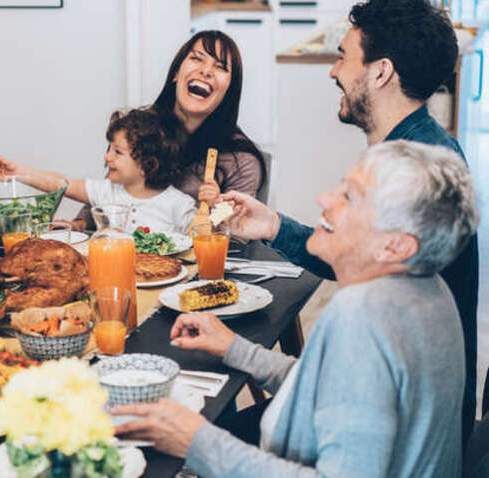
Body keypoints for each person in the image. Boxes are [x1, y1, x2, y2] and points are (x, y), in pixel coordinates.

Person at [113, 140, 479, 477]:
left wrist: (196, 442)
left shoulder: (362, 316)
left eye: (350, 197)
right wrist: (235, 349)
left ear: (395, 247)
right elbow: (332, 387)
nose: (324, 198)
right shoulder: (430, 289)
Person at [223, 0, 480, 443]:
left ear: (380, 72)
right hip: (395, 411)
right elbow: (361, 255)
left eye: (343, 56)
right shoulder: (411, 147)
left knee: (206, 434)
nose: (332, 71)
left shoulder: (418, 169)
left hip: (402, 433)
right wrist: (273, 225)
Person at [71, 30, 267, 229]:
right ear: (176, 73)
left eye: (220, 67)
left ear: (229, 90)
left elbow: (234, 232)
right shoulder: (143, 129)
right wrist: (78, 225)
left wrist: (218, 208)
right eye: (197, 59)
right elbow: (112, 190)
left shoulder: (241, 160)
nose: (206, 71)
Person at [0, 108, 195, 234]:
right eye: (109, 149)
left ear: (148, 165)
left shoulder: (178, 204)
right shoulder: (107, 192)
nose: (108, 158)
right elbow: (61, 184)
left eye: (118, 152)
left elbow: (203, 237)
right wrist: (18, 172)